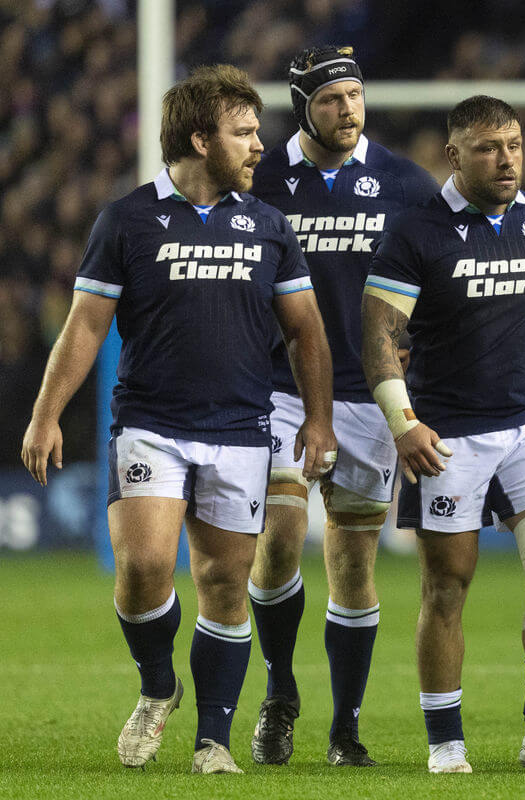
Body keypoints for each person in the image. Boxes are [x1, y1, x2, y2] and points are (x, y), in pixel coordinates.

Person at [20, 65, 335, 775]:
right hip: (152, 422)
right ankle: (158, 684)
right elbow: (83, 329)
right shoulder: (126, 220)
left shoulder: (270, 226)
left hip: (241, 427)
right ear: (199, 139)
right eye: (244, 133)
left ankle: (213, 741)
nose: (260, 146)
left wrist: (318, 419)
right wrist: (47, 415)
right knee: (144, 568)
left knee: (226, 584)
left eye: (258, 131)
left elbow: (306, 331)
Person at [361, 95, 525, 775]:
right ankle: (446, 744)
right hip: (449, 435)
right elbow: (379, 333)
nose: (505, 160)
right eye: (486, 148)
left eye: (512, 145)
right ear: (453, 155)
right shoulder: (416, 233)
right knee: (449, 584)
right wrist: (403, 420)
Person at [244, 45, 438, 768]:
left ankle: (345, 729)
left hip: (366, 391)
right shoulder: (261, 179)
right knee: (281, 538)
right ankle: (278, 689)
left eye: (355, 95)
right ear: (303, 106)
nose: (348, 109)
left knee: (355, 561)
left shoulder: (404, 183)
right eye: (331, 99)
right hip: (278, 386)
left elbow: (435, 279)